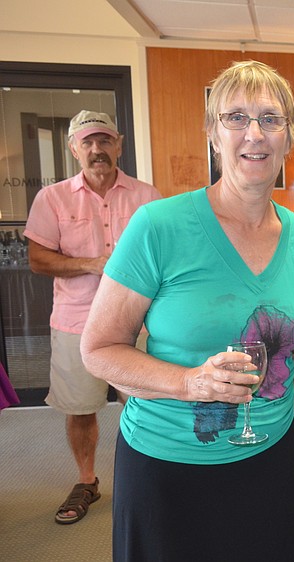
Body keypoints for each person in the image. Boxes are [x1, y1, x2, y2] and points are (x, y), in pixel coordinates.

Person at [80, 60, 294, 559]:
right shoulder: (157, 226)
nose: (254, 133)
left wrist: (281, 424)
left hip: (269, 464)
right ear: (213, 134)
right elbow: (99, 350)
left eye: (270, 119)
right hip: (167, 468)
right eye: (235, 117)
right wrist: (190, 383)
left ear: (289, 138)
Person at [23, 110, 161, 525]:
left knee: (145, 403)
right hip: (76, 322)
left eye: (104, 141)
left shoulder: (148, 197)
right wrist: (94, 263)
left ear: (119, 144)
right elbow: (37, 258)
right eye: (88, 142)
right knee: (80, 408)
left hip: (139, 323)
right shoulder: (52, 198)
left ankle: (149, 479)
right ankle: (87, 480)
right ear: (74, 148)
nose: (97, 150)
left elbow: (165, 256)